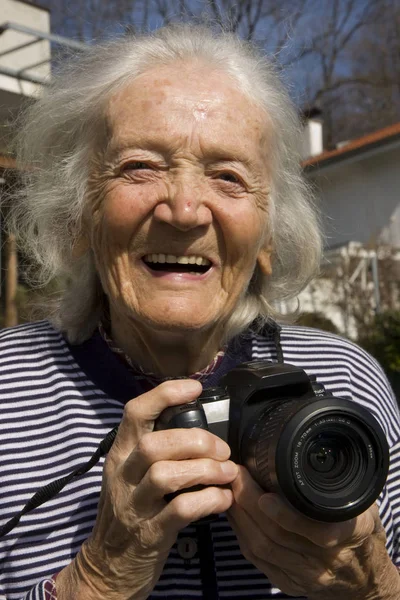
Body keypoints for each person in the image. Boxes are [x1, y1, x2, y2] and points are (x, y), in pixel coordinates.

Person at [0, 23, 399, 600]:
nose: (185, 210)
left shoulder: (348, 381)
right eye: (140, 166)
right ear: (79, 211)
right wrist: (97, 581)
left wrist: (374, 588)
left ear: (268, 233)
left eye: (228, 176)